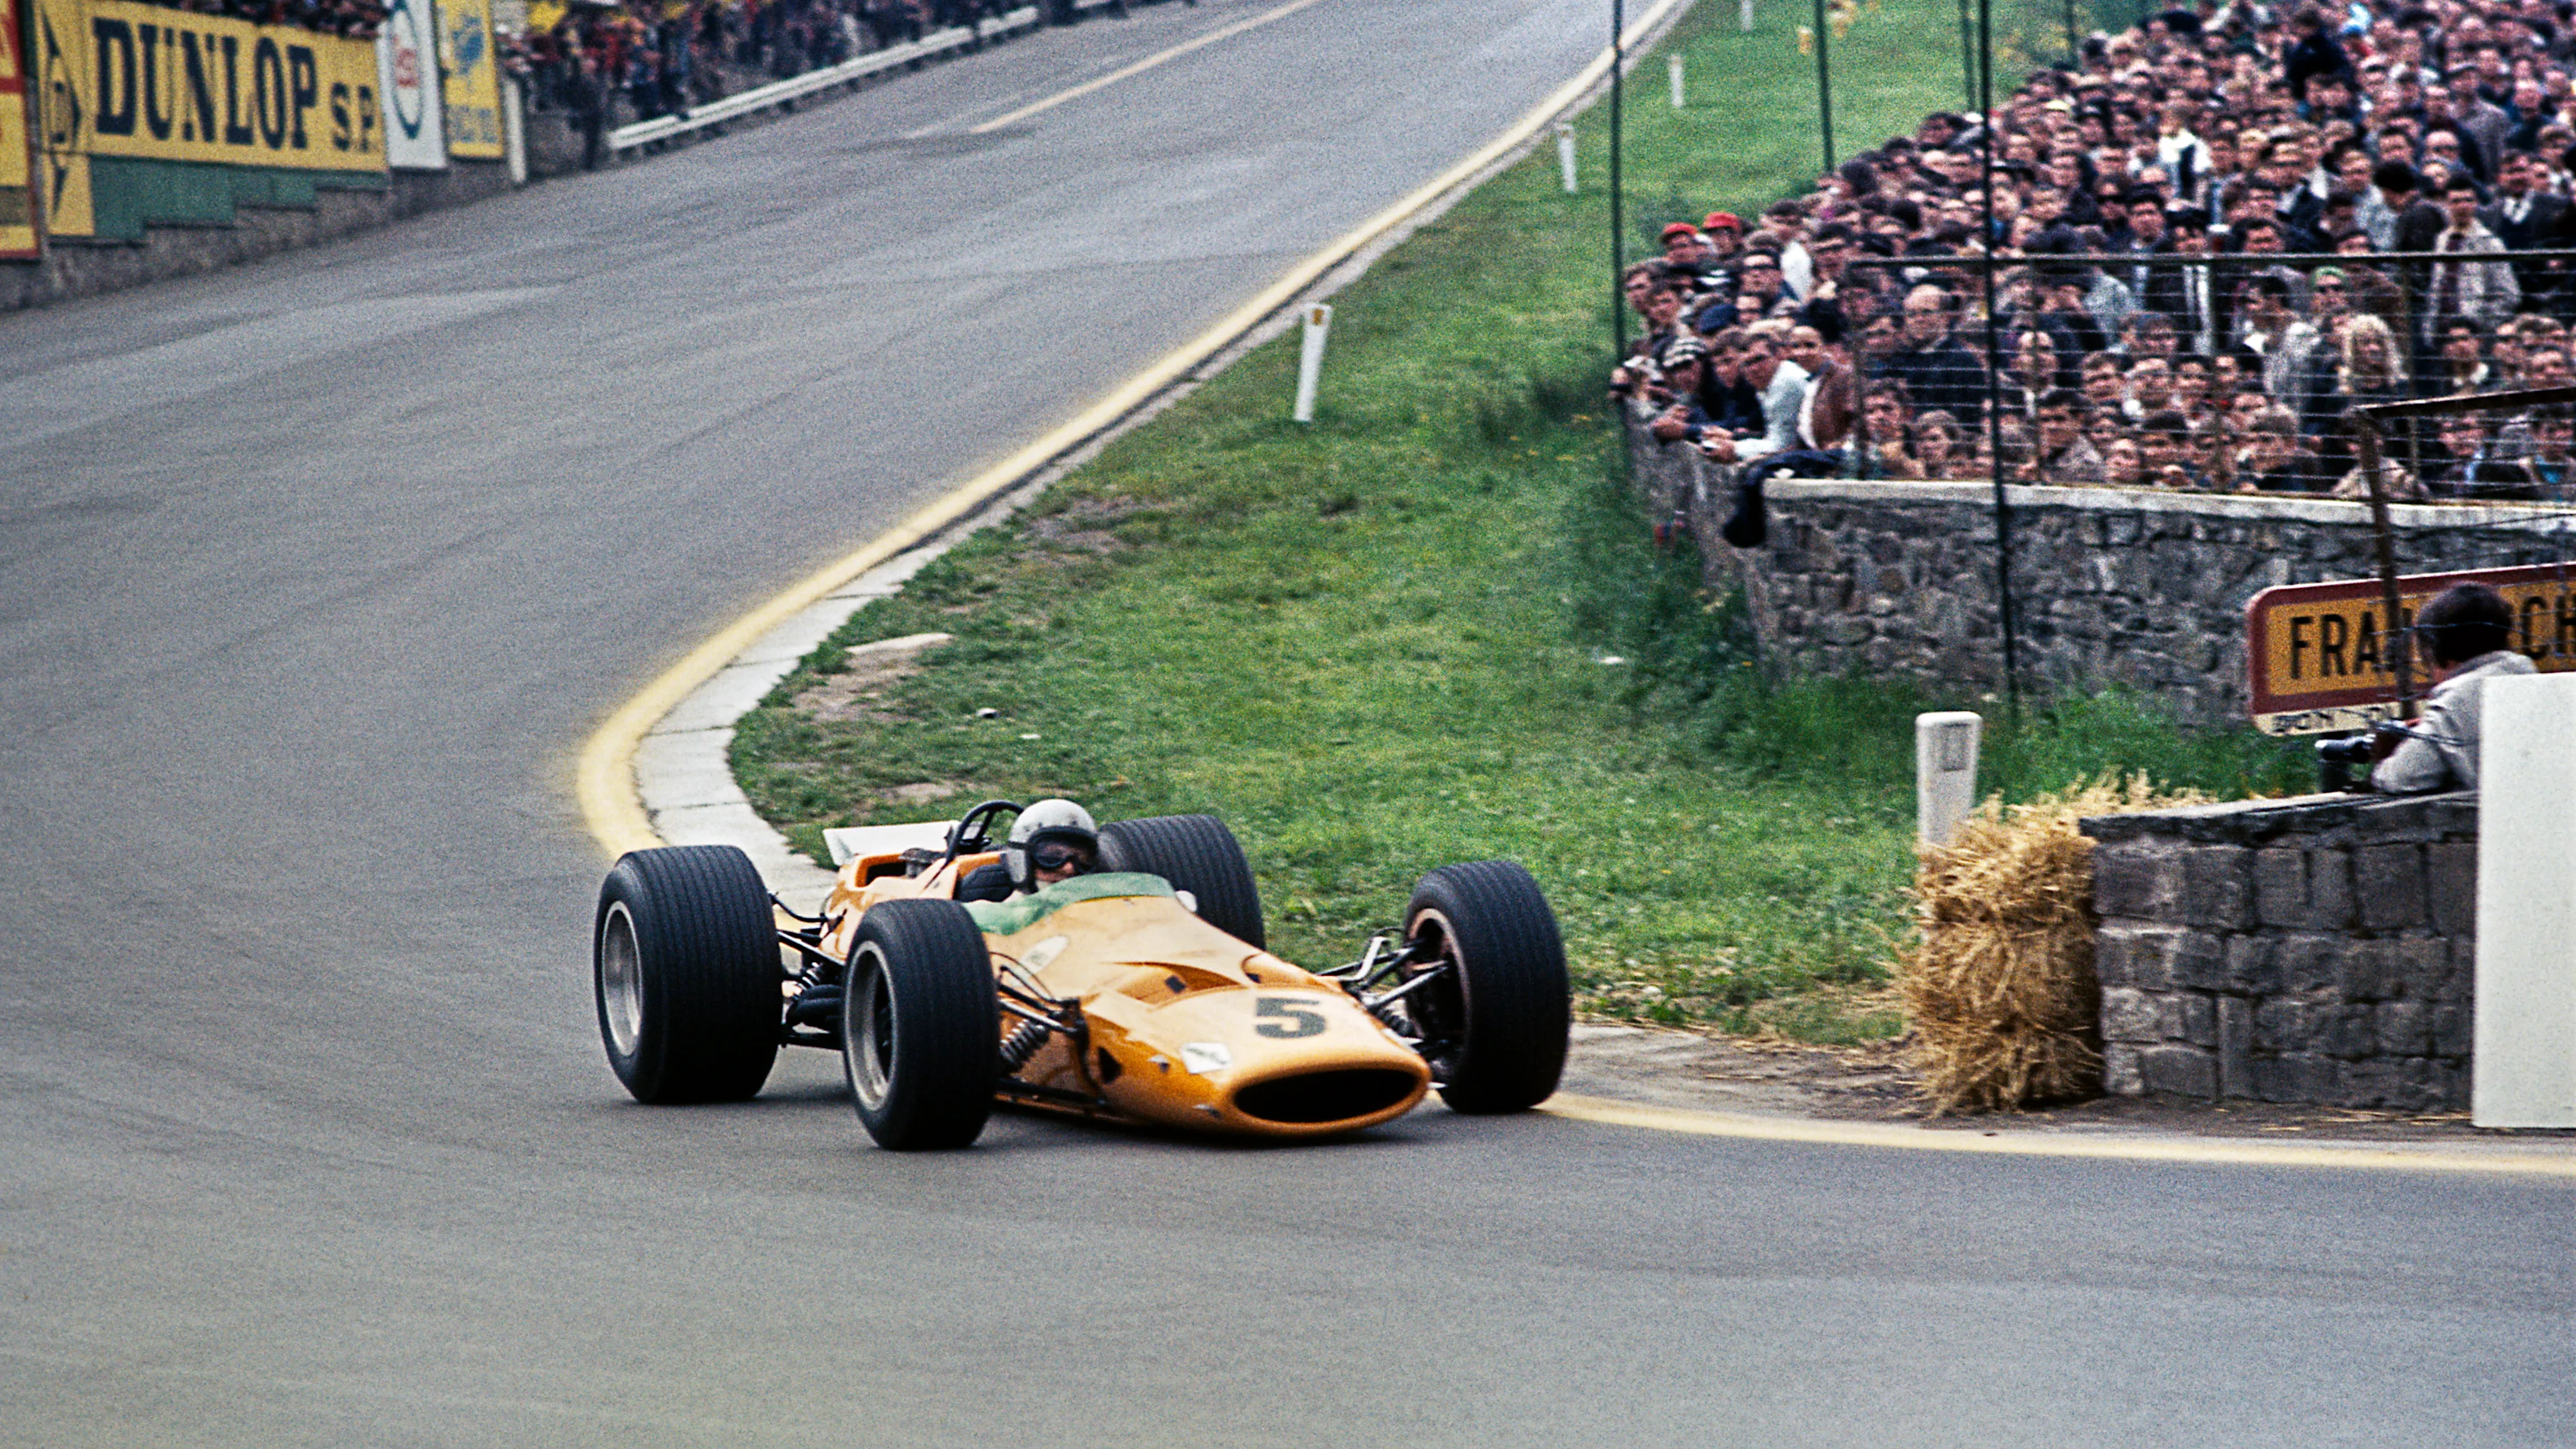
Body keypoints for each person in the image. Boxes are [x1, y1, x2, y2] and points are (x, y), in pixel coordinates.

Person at [2371, 584, 2540, 794]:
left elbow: (2403, 777)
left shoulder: (2455, 701)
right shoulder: (2529, 676)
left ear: (2440, 654)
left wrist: (2385, 757)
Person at [956, 799, 1098, 901]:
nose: (1069, 868)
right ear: (1022, 858)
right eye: (1052, 855)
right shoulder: (981, 894)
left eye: (1082, 857)